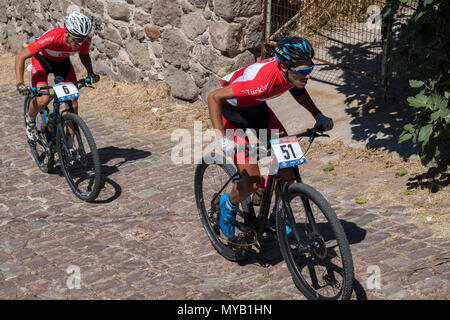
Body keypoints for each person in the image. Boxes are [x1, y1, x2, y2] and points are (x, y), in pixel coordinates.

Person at [207, 36, 334, 239]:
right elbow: (214, 96)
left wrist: (318, 115)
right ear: (284, 67)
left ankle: (278, 216)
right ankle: (228, 204)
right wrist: (222, 138)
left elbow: (297, 90)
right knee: (252, 182)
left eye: (310, 69)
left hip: (258, 110)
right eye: (302, 71)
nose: (307, 75)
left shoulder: (292, 75)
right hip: (233, 115)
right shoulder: (261, 82)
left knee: (289, 170)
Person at [15, 11, 99, 144]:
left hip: (62, 63)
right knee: (43, 99)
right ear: (66, 33)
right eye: (76, 39)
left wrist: (90, 73)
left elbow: (84, 55)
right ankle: (30, 120)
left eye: (82, 39)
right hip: (42, 61)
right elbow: (21, 56)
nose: (80, 43)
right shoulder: (52, 37)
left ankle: (70, 140)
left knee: (73, 101)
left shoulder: (84, 40)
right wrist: (20, 82)